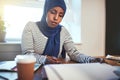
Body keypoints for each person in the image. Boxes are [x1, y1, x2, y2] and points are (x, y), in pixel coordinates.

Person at [21, 0, 104, 64]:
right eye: (53, 12)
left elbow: (74, 53)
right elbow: (27, 55)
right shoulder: (31, 27)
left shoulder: (63, 31)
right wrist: (44, 59)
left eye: (60, 15)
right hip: (33, 70)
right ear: (46, 11)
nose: (56, 18)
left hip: (56, 70)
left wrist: (90, 59)